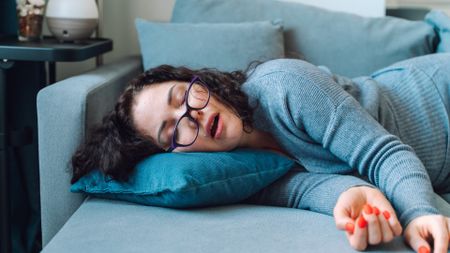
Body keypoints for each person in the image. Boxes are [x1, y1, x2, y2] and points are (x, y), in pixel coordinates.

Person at [71, 53, 450, 253]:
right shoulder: (240, 171)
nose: (193, 115)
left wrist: (418, 211)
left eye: (184, 95)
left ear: (198, 82)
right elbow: (304, 190)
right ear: (173, 153)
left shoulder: (284, 85)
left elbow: (383, 154)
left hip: (438, 97)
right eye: (174, 129)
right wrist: (352, 196)